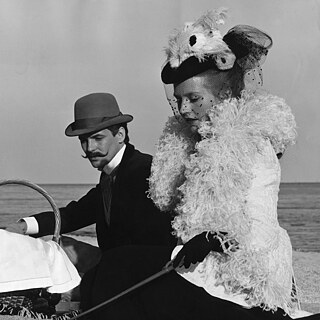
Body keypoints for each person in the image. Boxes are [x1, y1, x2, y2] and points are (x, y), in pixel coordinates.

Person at [79, 9, 319, 320]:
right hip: (211, 259)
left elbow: (247, 226)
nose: (184, 109)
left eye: (194, 98)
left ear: (224, 93)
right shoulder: (199, 143)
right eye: (178, 100)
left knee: (123, 274)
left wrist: (210, 238)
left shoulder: (244, 140)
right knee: (118, 266)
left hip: (245, 273)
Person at [5, 92, 175, 260]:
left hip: (146, 274)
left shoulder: (145, 171)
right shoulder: (111, 175)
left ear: (120, 135)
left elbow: (153, 244)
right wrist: (24, 226)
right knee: (55, 246)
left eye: (97, 138)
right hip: (120, 267)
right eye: (83, 140)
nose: (89, 148)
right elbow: (74, 214)